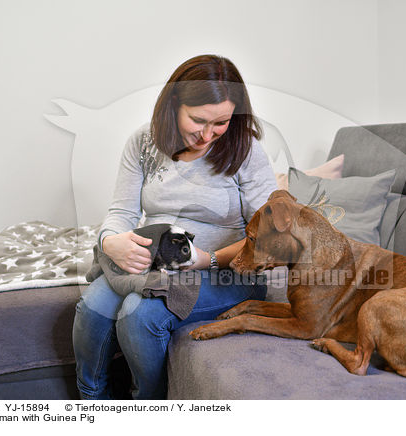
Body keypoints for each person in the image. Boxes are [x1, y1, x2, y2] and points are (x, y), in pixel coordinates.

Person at [72, 54, 278, 400]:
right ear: (174, 104)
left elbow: (270, 241)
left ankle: (150, 406)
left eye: (221, 123)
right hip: (158, 267)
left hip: (228, 272)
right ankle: (92, 404)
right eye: (198, 120)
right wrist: (110, 242)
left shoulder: (246, 149)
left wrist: (206, 259)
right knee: (93, 306)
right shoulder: (144, 142)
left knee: (138, 314)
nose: (207, 134)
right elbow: (121, 211)